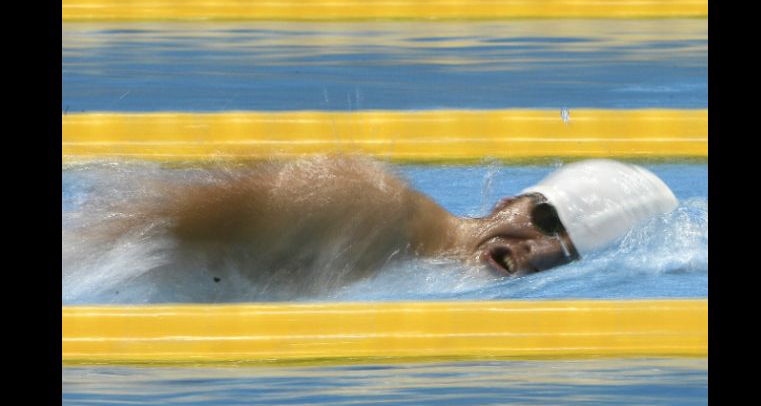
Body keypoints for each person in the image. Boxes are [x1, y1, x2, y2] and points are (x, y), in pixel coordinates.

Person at [75, 155, 677, 295]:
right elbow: (141, 225)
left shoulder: (404, 268)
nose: (537, 252)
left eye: (567, 257)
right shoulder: (360, 202)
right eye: (548, 220)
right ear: (509, 203)